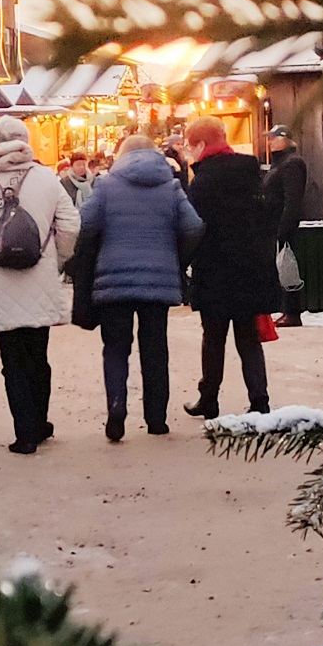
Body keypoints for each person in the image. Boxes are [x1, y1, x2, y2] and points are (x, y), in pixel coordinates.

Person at [0, 115, 80, 455]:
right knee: (38, 355)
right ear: (25, 139)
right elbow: (69, 224)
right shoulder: (46, 177)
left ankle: (24, 434)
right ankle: (41, 424)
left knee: (12, 361)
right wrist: (57, 259)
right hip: (40, 276)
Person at [72, 134, 203, 441]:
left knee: (116, 348)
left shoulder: (105, 186)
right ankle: (156, 418)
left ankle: (117, 407)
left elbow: (84, 225)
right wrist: (176, 256)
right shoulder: (170, 187)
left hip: (113, 282)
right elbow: (194, 226)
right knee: (155, 348)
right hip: (158, 283)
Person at [181, 116, 280, 419]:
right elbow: (268, 217)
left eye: (189, 145)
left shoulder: (203, 182)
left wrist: (185, 263)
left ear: (200, 144)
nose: (187, 151)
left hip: (214, 271)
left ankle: (209, 399)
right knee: (248, 338)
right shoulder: (252, 173)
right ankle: (260, 401)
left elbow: (194, 228)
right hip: (251, 269)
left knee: (213, 338)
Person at [263, 124, 309, 328]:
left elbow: (292, 200)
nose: (270, 141)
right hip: (273, 225)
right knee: (282, 267)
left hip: (283, 226)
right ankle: (286, 310)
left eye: (274, 137)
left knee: (288, 267)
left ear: (286, 139)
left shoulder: (291, 164)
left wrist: (284, 229)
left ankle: (292, 312)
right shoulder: (279, 164)